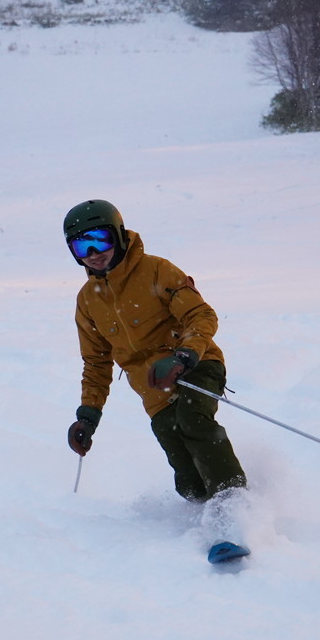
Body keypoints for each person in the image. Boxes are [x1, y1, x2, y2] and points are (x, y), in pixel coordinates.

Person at [63, 199, 248, 509]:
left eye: (100, 240)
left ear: (119, 236)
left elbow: (201, 315)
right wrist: (87, 417)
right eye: (82, 247)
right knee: (183, 465)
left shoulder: (156, 270)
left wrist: (185, 356)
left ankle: (233, 505)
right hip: (153, 386)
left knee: (194, 421)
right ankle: (203, 507)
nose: (94, 254)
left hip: (196, 364)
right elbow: (96, 363)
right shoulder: (87, 301)